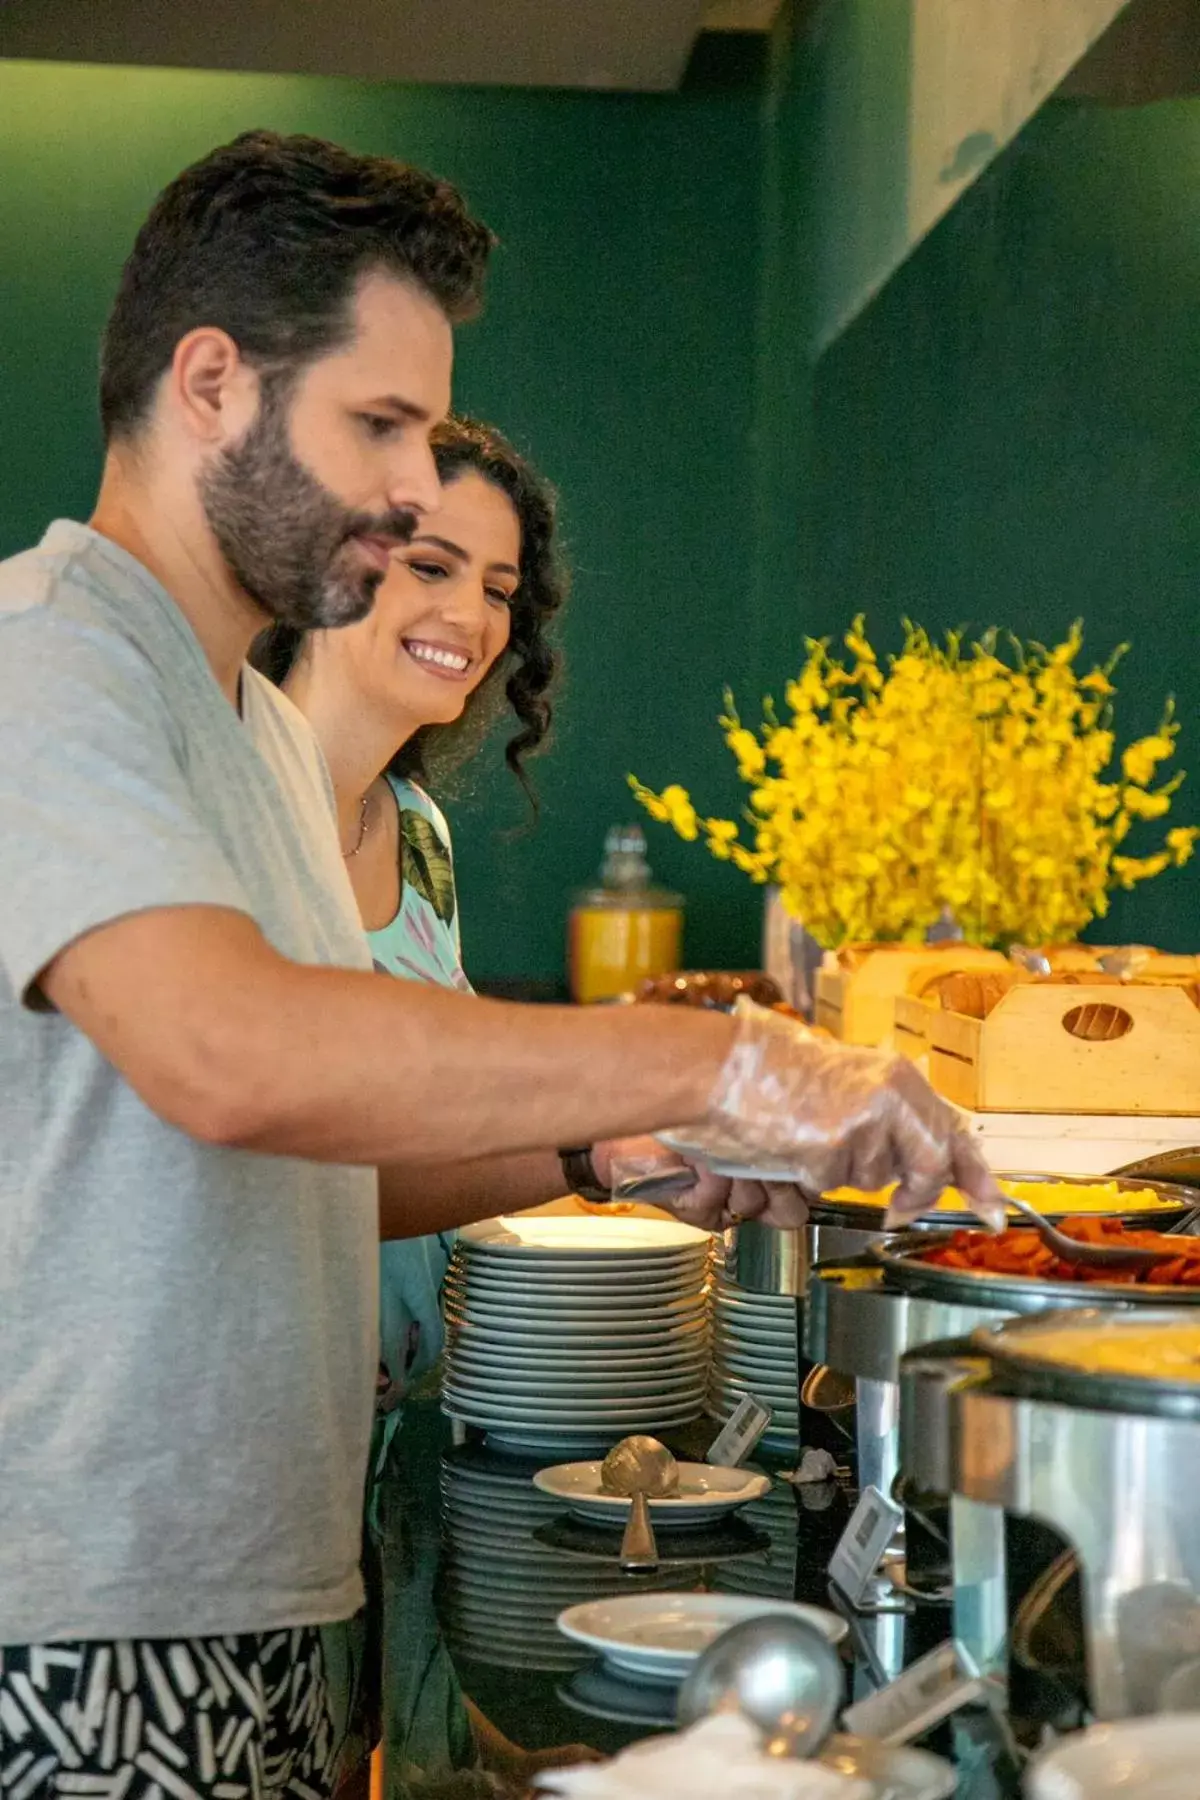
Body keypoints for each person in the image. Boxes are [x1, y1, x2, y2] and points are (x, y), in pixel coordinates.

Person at [0, 130, 1000, 1800]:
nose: (410, 485)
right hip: (83, 1615)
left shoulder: (245, 719)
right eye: (375, 423)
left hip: (267, 1586)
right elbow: (226, 1056)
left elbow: (314, 1154)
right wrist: (714, 1058)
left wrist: (600, 1153)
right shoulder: (48, 666)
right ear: (210, 384)